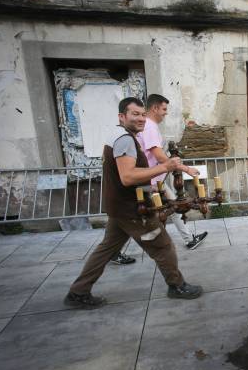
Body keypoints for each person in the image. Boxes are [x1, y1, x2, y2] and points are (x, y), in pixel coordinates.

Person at [64, 97, 203, 308]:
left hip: (119, 207)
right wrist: (164, 168)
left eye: (142, 114)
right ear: (122, 116)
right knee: (163, 246)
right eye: (134, 114)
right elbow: (127, 177)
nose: (140, 119)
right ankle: (177, 286)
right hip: (131, 208)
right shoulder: (125, 140)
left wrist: (177, 168)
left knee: (106, 249)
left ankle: (78, 292)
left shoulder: (120, 135)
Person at [138, 94, 208, 250]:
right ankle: (148, 242)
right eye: (164, 109)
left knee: (174, 206)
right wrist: (186, 169)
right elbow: (160, 156)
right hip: (151, 180)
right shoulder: (149, 126)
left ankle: (189, 239)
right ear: (155, 108)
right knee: (136, 216)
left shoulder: (149, 126)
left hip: (155, 179)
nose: (166, 112)